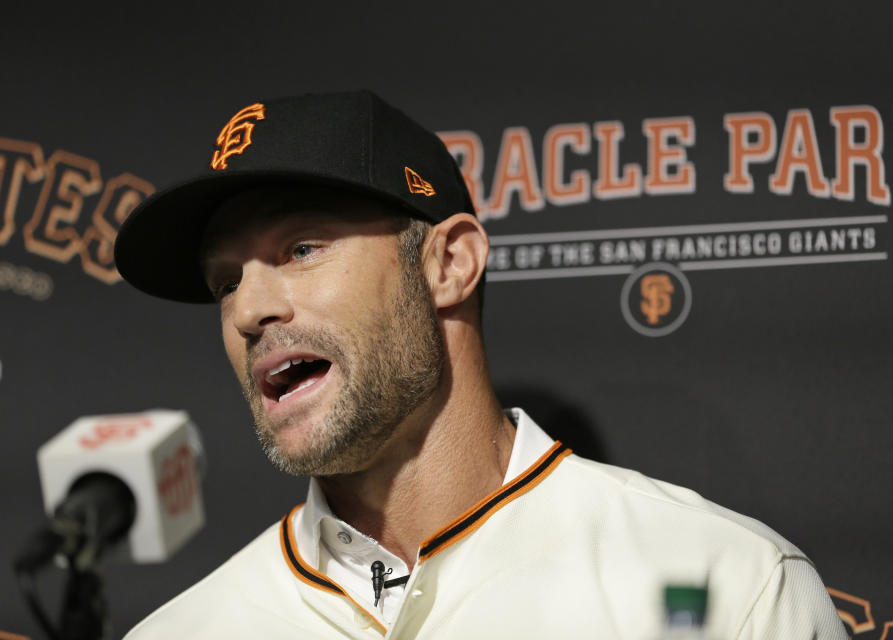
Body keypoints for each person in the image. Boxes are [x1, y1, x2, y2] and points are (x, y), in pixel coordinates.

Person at [115, 91, 846, 638]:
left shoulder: (728, 587)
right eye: (225, 283)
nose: (248, 311)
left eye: (301, 249)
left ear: (450, 264)